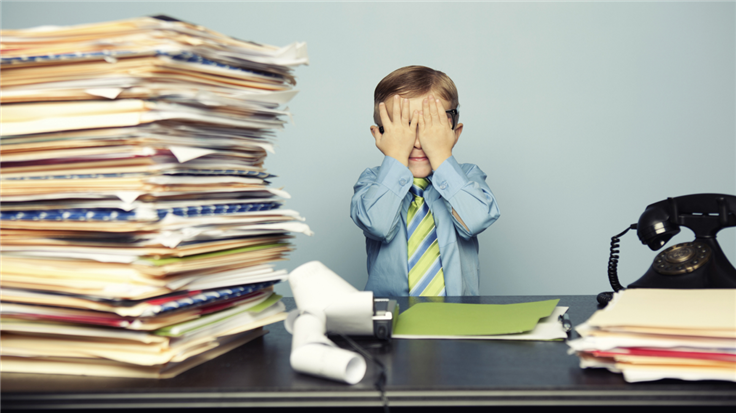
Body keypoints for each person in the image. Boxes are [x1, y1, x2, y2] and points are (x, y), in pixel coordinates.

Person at [350, 66, 500, 297]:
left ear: (455, 132)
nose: (418, 143)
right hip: (391, 319)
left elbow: (476, 220)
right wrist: (396, 155)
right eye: (403, 130)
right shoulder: (373, 182)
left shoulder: (467, 177)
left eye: (430, 130)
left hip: (458, 319)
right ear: (379, 135)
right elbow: (377, 225)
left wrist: (440, 153)